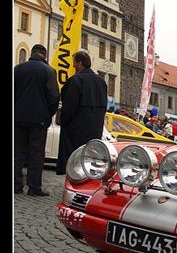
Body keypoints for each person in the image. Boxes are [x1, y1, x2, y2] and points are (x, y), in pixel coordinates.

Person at [14, 44, 59, 196]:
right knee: (36, 154)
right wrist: (47, 114)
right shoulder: (49, 71)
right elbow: (54, 97)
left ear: (32, 53)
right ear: (44, 55)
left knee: (17, 152)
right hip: (39, 120)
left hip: (18, 118)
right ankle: (34, 187)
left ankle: (15, 185)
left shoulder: (18, 69)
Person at [56, 50, 107, 175]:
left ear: (79, 63)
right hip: (94, 131)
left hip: (75, 131)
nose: (73, 66)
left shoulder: (76, 80)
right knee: (89, 163)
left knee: (74, 163)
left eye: (74, 63)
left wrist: (64, 121)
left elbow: (69, 106)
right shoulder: (101, 82)